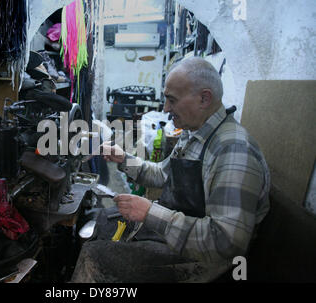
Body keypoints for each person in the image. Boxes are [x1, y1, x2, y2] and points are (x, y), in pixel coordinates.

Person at [70, 57, 270, 283]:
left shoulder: (233, 151)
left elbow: (224, 242)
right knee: (103, 220)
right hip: (183, 229)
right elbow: (161, 175)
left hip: (206, 262)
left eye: (172, 101)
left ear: (204, 98)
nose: (166, 109)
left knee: (95, 255)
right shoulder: (194, 133)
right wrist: (124, 158)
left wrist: (149, 213)